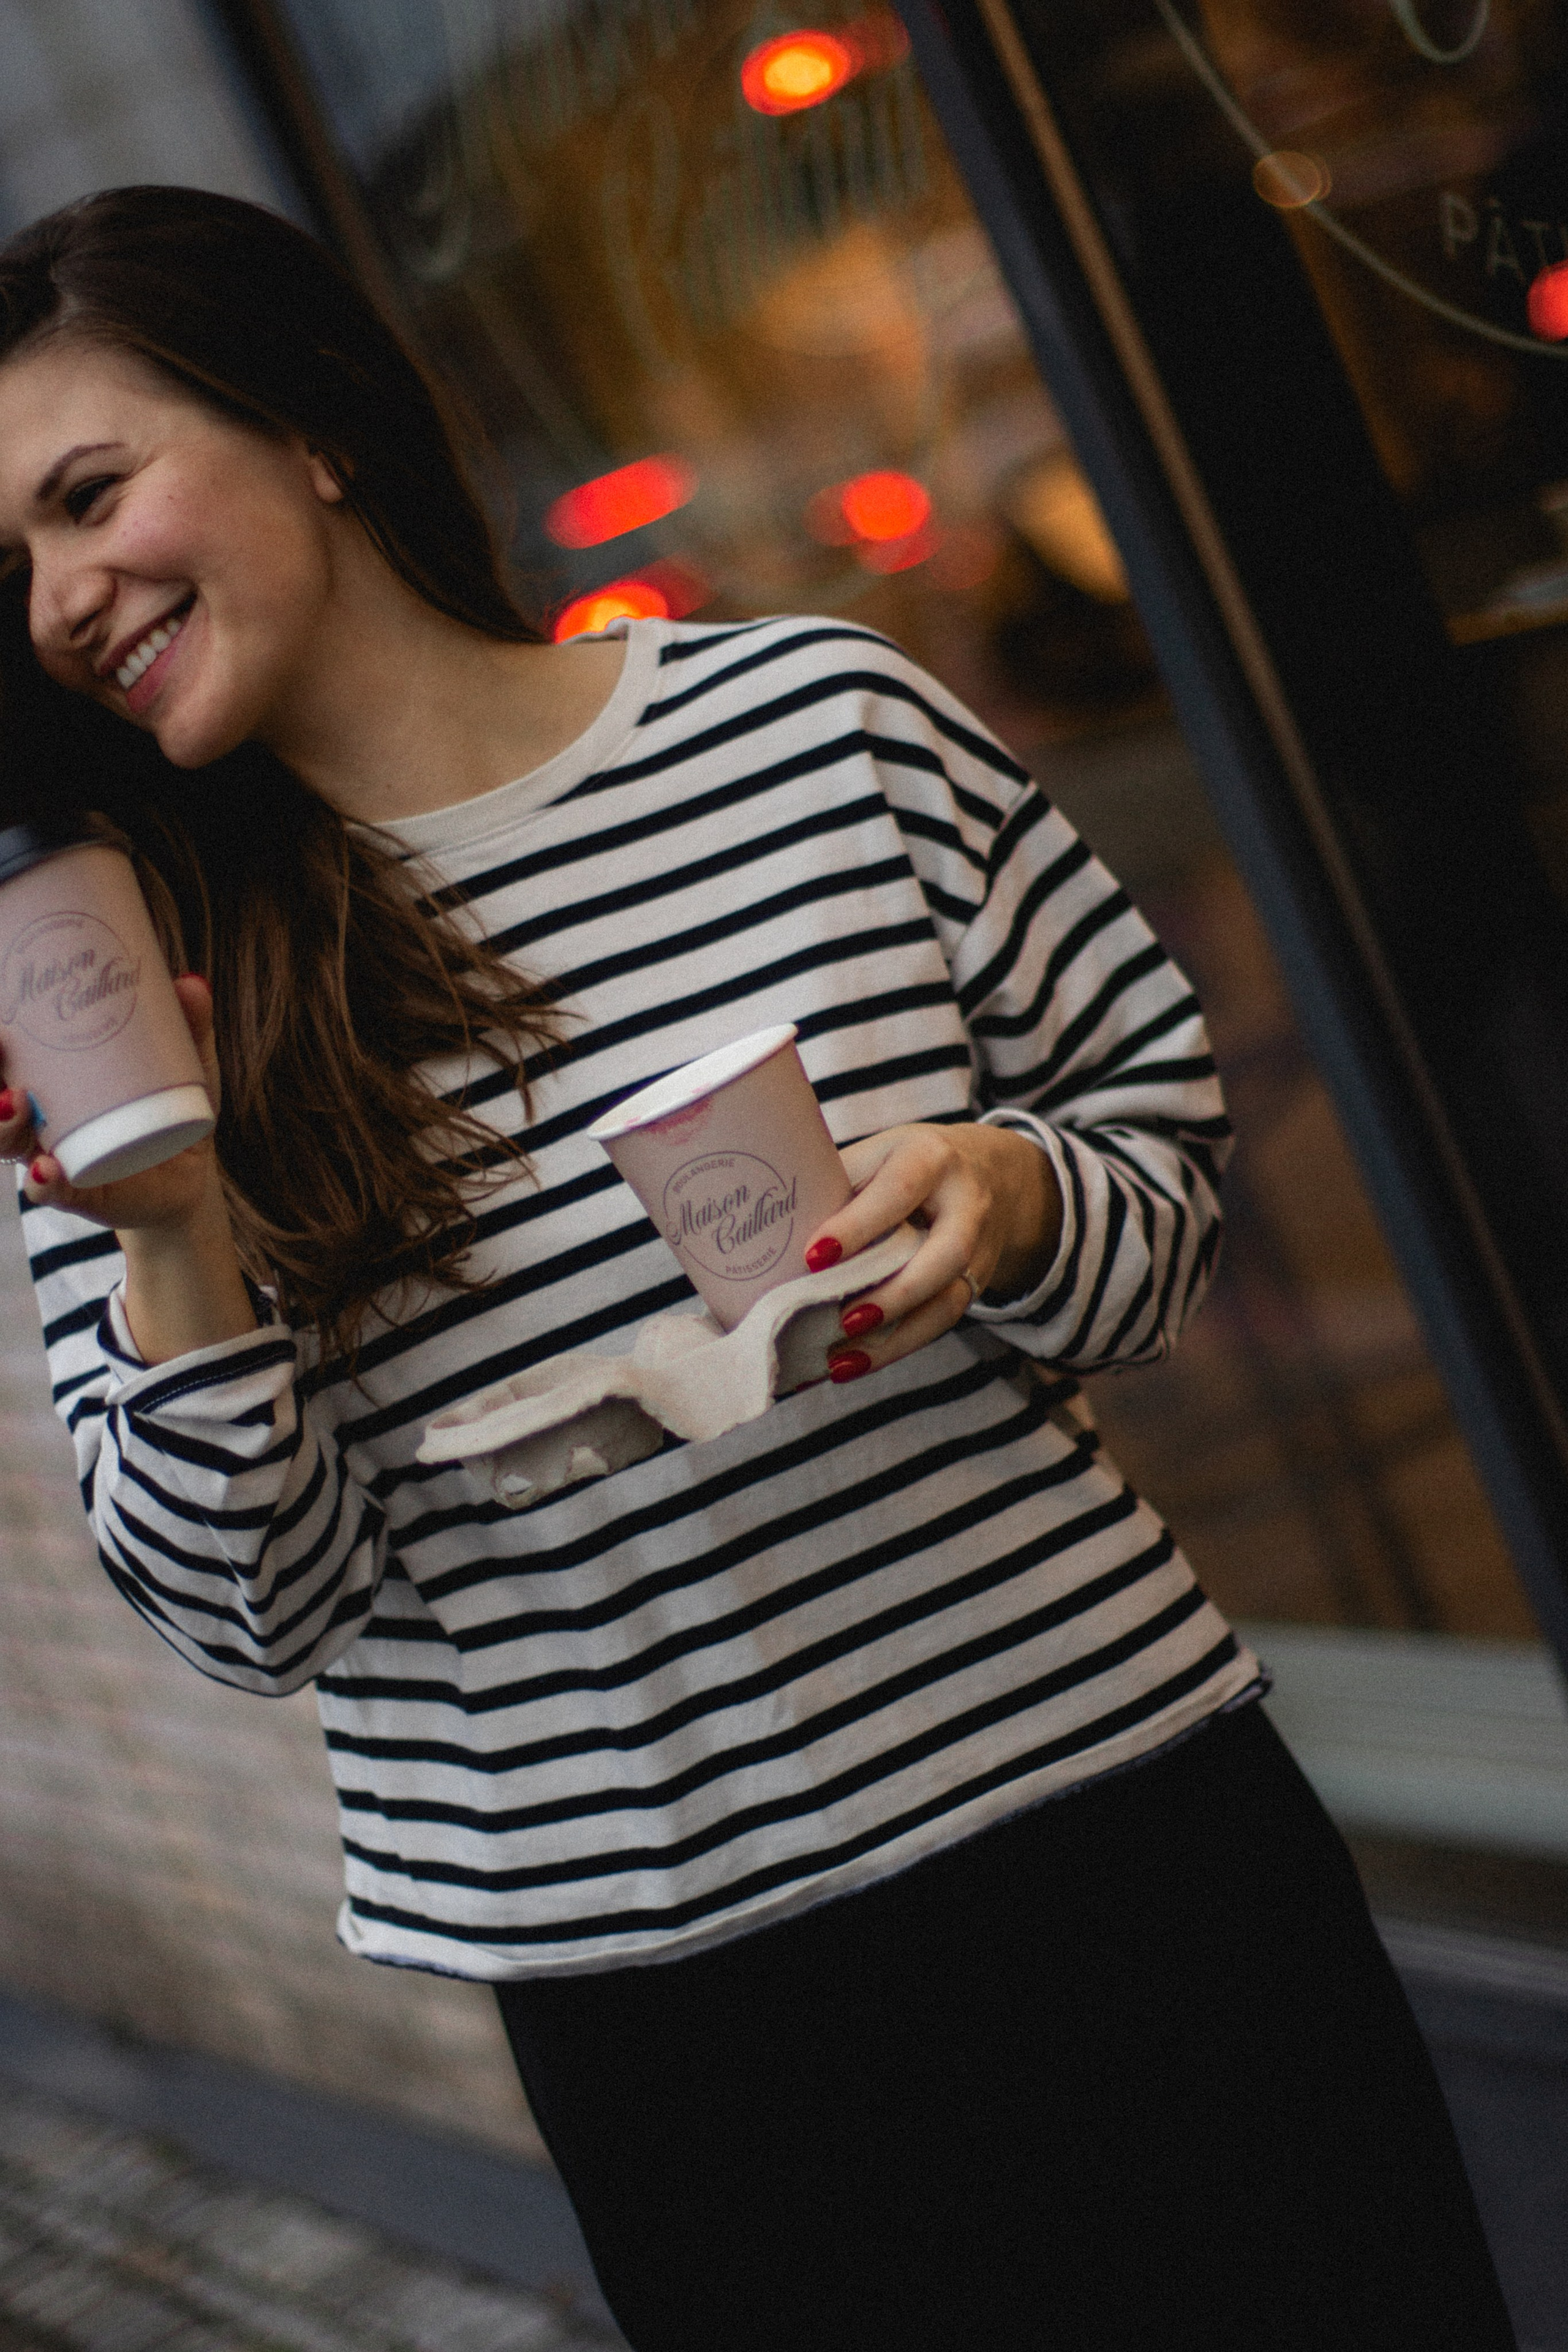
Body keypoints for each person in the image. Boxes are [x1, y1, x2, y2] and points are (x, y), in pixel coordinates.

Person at [0, 187, 1515, 2351]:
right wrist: (178, 1239)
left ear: (310, 419)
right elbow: (251, 1608)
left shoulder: (817, 726)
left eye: (89, 494)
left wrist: (1013, 1192)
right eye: (13, 563)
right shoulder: (122, 981)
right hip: (675, 2012)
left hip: (1118, 1836)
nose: (62, 597)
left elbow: (1160, 1187)